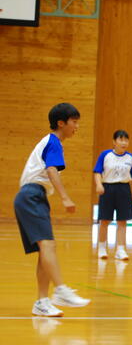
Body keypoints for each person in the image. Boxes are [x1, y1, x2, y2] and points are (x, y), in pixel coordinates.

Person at [13, 103, 91, 317]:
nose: (77, 127)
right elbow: (51, 169)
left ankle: (42, 302)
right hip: (31, 196)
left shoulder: (50, 142)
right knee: (48, 245)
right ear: (61, 123)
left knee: (45, 248)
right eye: (74, 122)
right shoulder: (54, 141)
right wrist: (65, 197)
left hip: (32, 196)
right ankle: (60, 290)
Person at [93, 130, 132, 261]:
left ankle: (120, 250)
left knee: (122, 221)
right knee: (105, 220)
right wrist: (99, 184)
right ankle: (102, 248)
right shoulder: (105, 155)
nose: (124, 143)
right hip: (107, 188)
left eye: (126, 140)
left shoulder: (131, 158)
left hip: (124, 189)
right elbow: (97, 172)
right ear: (114, 142)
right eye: (121, 139)